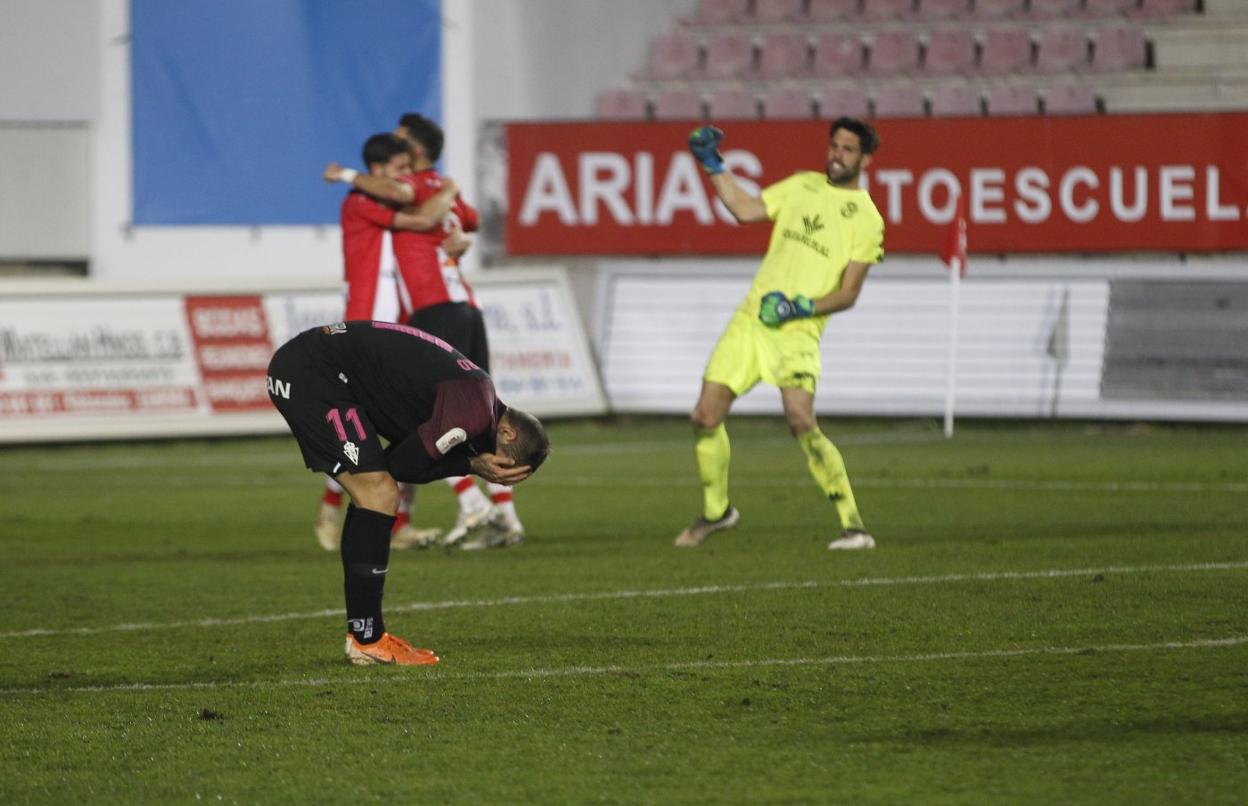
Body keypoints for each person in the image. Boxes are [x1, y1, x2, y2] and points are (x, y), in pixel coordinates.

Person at [266, 320, 550, 665]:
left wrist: (466, 462)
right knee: (378, 492)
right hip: (312, 372)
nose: (495, 471)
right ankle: (366, 639)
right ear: (507, 433)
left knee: (376, 493)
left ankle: (366, 636)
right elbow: (402, 465)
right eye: (503, 467)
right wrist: (471, 465)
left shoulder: (480, 399)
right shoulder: (473, 411)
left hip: (321, 367)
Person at [676, 117, 885, 551]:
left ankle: (854, 526)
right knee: (703, 417)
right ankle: (717, 512)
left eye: (848, 150)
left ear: (865, 159)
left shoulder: (867, 219)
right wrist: (712, 163)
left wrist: (799, 306)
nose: (837, 155)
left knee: (801, 421)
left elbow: (848, 293)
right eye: (834, 146)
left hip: (797, 330)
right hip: (753, 319)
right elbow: (746, 210)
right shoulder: (802, 185)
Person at [315, 133, 460, 552]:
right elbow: (421, 221)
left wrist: (460, 234)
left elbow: (455, 222)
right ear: (378, 171)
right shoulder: (361, 201)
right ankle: (329, 510)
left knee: (410, 423)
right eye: (399, 169)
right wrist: (449, 189)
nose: (406, 176)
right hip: (364, 325)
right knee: (360, 426)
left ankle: (399, 526)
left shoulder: (395, 197)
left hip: (398, 323)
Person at [389, 112, 526, 550]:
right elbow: (469, 220)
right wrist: (458, 231)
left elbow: (427, 208)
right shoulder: (437, 190)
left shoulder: (412, 188)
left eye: (399, 141)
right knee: (482, 416)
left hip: (436, 309)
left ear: (416, 150)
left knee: (421, 415)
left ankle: (471, 502)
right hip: (467, 307)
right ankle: (505, 514)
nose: (391, 148)